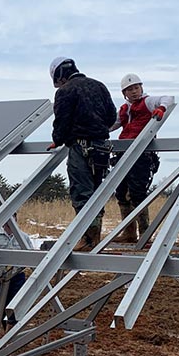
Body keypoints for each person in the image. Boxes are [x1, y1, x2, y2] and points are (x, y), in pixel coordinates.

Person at [47, 56, 117, 251]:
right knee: (97, 192)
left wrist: (58, 139)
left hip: (80, 147)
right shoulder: (99, 86)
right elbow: (112, 116)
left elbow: (61, 120)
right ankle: (94, 237)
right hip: (102, 147)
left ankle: (87, 239)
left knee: (82, 193)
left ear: (59, 75)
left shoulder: (65, 91)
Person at [110, 73, 174, 243]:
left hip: (142, 155)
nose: (134, 92)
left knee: (138, 194)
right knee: (122, 194)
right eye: (129, 89)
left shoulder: (147, 101)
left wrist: (161, 109)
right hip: (123, 153)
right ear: (124, 93)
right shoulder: (124, 109)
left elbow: (168, 98)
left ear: (141, 88)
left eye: (136, 88)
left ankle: (145, 235)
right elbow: (112, 125)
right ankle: (129, 233)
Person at [0, 216, 33, 330]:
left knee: (16, 304)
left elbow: (31, 256)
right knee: (0, 305)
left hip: (17, 276)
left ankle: (11, 328)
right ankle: (5, 330)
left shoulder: (23, 237)